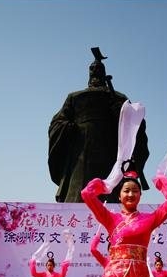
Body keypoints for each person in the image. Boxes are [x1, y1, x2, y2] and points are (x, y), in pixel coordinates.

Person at [48, 48, 149, 203]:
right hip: (81, 154)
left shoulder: (118, 98)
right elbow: (57, 122)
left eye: (98, 69)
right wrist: (69, 127)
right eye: (92, 69)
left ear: (103, 73)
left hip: (112, 151)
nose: (95, 72)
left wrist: (122, 115)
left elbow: (136, 124)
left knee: (112, 193)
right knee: (79, 195)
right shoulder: (75, 98)